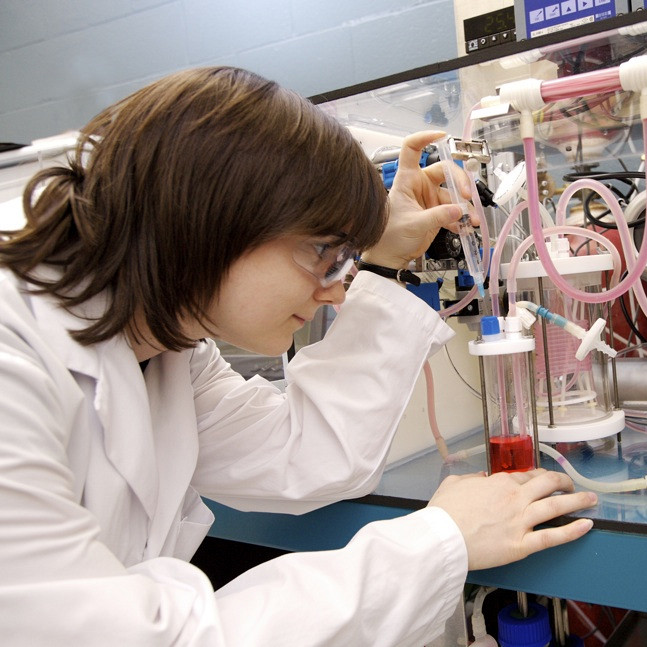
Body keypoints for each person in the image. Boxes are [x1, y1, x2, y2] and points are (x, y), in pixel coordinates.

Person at [0, 66, 596, 646]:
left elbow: (308, 453)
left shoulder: (166, 344)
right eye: (323, 253)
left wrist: (383, 263)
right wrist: (439, 543)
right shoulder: (14, 350)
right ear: (212, 219)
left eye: (347, 262)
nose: (338, 289)